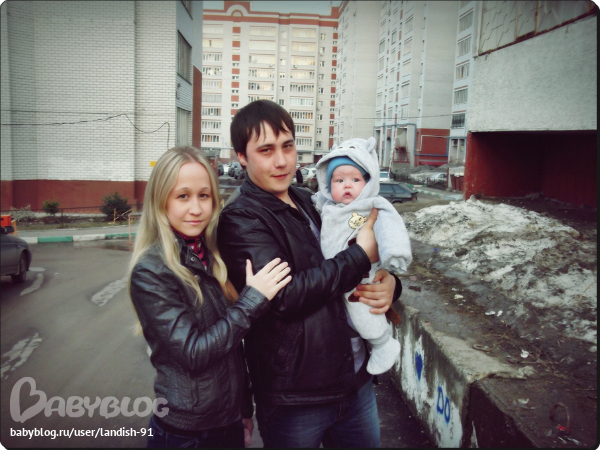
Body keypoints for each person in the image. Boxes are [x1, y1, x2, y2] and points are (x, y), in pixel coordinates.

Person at [217, 100, 402, 448]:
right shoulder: (241, 218)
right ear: (241, 156)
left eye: (287, 146)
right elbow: (285, 297)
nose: (281, 161)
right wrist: (361, 257)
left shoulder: (309, 200)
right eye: (266, 150)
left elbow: (358, 241)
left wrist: (390, 282)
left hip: (354, 379)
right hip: (295, 398)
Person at [128, 146, 292, 448]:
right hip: (185, 434)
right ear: (160, 201)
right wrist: (253, 300)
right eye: (183, 196)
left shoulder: (209, 255)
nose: (196, 208)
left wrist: (243, 409)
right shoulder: (152, 270)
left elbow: (231, 349)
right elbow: (193, 353)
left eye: (204, 195)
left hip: (227, 423)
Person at [313, 137, 412, 375]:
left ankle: (382, 344)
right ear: (327, 185)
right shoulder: (326, 206)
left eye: (355, 180)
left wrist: (395, 254)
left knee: (363, 313)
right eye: (339, 180)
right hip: (336, 275)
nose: (347, 186)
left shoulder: (372, 205)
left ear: (368, 182)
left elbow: (391, 228)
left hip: (362, 275)